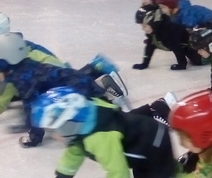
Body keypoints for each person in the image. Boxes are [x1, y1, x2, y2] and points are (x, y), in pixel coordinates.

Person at [28, 87, 190, 178]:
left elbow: (116, 166)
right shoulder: (83, 128)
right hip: (141, 140)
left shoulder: (99, 137)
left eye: (53, 130)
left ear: (68, 123)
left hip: (154, 143)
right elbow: (73, 154)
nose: (53, 135)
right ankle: (180, 166)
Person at [0, 32, 129, 147]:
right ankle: (101, 82)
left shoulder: (23, 79)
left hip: (76, 87)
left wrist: (34, 137)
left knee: (101, 114)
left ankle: (108, 89)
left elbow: (32, 108)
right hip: (72, 81)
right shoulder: (25, 66)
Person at [133, 5, 203, 71]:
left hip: (193, 44)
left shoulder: (168, 30)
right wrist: (145, 63)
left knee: (198, 61)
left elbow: (176, 47)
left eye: (144, 26)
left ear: (153, 22)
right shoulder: (154, 30)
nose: (142, 29)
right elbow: (150, 46)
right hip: (182, 45)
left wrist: (182, 64)